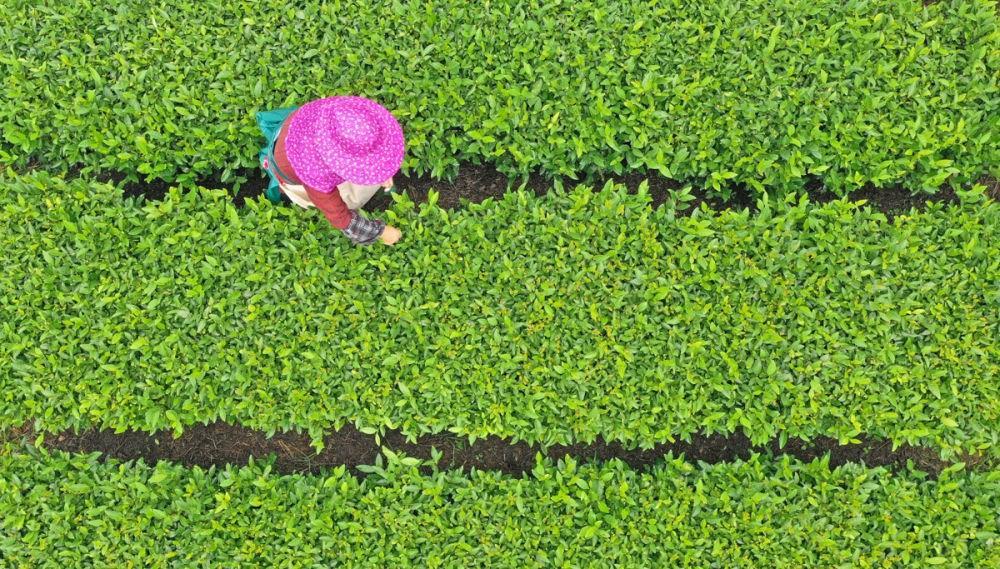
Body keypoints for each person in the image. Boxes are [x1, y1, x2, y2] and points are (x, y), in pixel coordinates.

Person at [257, 96, 404, 246]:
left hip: (289, 133)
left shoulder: (335, 115)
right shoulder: (314, 172)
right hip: (288, 172)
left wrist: (382, 168)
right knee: (352, 199)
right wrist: (380, 232)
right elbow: (341, 217)